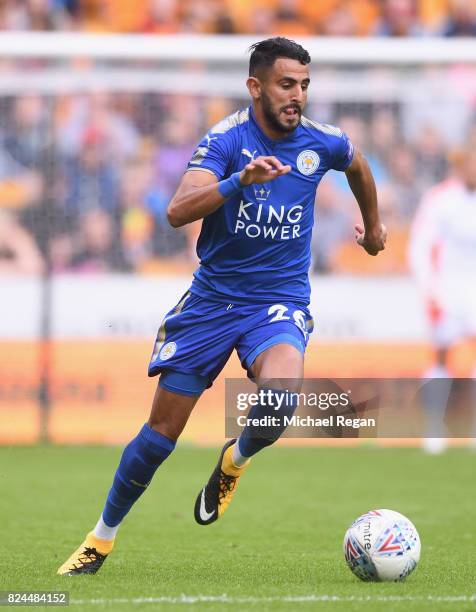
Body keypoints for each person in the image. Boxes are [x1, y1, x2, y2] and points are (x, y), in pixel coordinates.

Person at [58, 37, 386, 575]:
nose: (297, 96)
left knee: (281, 399)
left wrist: (373, 230)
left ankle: (235, 458)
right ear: (255, 86)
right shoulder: (227, 140)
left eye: (304, 85)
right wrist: (239, 181)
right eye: (286, 84)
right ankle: (101, 537)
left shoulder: (321, 142)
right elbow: (176, 211)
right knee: (160, 436)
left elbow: (359, 165)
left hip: (277, 302)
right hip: (212, 302)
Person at [408, 147, 476, 453]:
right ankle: (433, 428)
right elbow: (420, 246)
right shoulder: (441, 198)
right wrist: (430, 290)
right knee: (442, 355)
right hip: (447, 288)